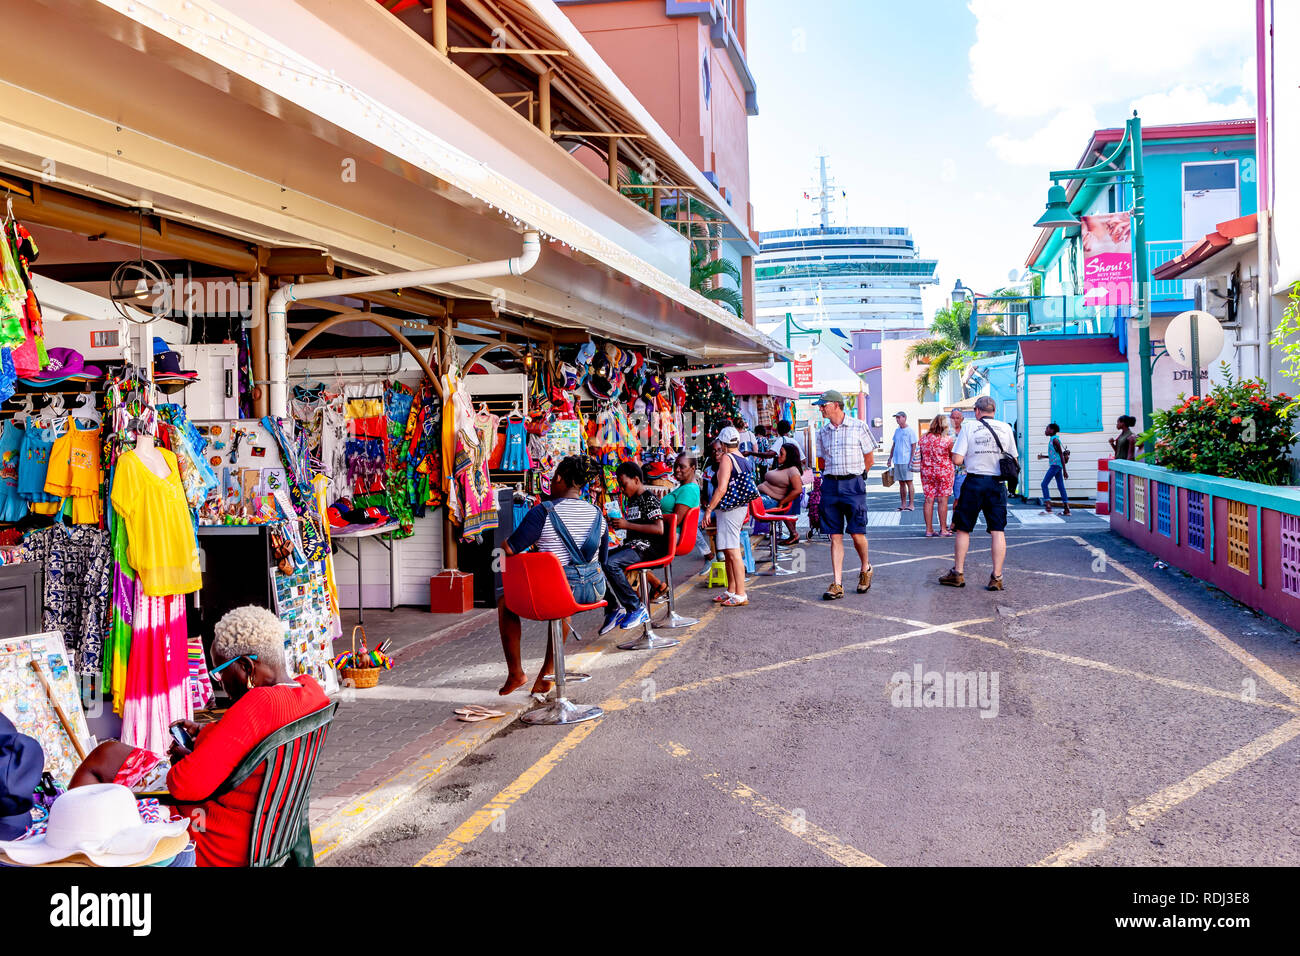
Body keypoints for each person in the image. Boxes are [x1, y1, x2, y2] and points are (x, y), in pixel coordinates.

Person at [73, 605, 331, 866]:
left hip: (216, 838)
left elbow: (183, 785)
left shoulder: (256, 704)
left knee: (102, 761)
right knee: (108, 754)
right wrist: (208, 734)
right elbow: (249, 742)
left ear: (246, 667)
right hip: (268, 832)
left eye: (220, 671)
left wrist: (185, 758)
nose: (219, 680)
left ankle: (71, 848)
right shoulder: (311, 690)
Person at [497, 455, 607, 696]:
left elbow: (510, 549)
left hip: (559, 592)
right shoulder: (597, 513)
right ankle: (547, 673)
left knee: (506, 602)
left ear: (558, 478)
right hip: (596, 589)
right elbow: (604, 558)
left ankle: (516, 673)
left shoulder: (543, 512)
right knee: (565, 603)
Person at [940, 395, 1018, 591]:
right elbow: (1014, 458)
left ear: (976, 411)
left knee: (963, 528)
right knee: (998, 530)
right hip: (997, 483)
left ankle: (957, 573)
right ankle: (997, 577)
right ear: (994, 411)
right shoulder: (1006, 428)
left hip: (974, 482)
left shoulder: (969, 427)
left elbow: (957, 459)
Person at [813, 389, 874, 600]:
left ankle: (865, 568)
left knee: (857, 533)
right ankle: (837, 583)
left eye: (824, 405)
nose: (821, 408)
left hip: (853, 485)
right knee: (834, 536)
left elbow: (869, 458)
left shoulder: (859, 426)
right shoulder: (822, 432)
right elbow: (821, 461)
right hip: (830, 485)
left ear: (836, 405)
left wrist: (859, 477)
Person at [600, 461, 666, 633]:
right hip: (633, 546)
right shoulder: (632, 501)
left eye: (624, 485)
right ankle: (613, 607)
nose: (622, 490)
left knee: (611, 563)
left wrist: (627, 525)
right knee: (598, 559)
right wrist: (620, 525)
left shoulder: (648, 498)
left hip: (648, 548)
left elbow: (659, 529)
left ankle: (635, 607)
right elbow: (632, 527)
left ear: (636, 480)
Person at [702, 426, 756, 608]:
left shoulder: (727, 458)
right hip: (738, 508)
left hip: (730, 509)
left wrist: (709, 509)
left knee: (732, 551)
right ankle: (731, 590)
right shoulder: (742, 458)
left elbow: (722, 488)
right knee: (727, 550)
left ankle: (740, 594)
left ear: (724, 444)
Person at [643, 453, 701, 602]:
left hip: (670, 537)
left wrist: (653, 518)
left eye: (682, 466)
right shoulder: (683, 488)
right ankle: (654, 588)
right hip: (666, 534)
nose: (677, 470)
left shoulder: (688, 489)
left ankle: (640, 605)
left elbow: (675, 520)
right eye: (675, 466)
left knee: (627, 556)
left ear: (693, 468)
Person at [757, 441, 805, 545]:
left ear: (789, 456)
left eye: (781, 453)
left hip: (771, 501)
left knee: (742, 503)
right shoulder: (782, 468)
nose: (778, 456)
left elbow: (798, 490)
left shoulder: (793, 470)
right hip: (764, 497)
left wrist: (782, 502)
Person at [917, 414, 955, 537]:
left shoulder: (923, 439)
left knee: (928, 500)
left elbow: (921, 454)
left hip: (927, 472)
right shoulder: (947, 440)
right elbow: (952, 456)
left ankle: (929, 530)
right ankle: (943, 529)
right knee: (942, 500)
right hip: (944, 471)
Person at [1038, 423, 1071, 515]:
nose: (1045, 430)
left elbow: (1060, 454)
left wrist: (1065, 470)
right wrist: (1043, 456)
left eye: (1047, 429)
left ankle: (1048, 507)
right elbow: (1055, 455)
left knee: (1044, 484)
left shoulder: (1055, 440)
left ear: (1052, 431)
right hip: (1057, 465)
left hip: (1055, 466)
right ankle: (1066, 509)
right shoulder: (1054, 440)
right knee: (1061, 486)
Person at [888, 411, 917, 511]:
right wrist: (890, 458)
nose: (897, 419)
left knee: (909, 482)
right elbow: (894, 445)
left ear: (904, 418)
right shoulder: (897, 431)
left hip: (906, 460)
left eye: (899, 417)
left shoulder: (910, 431)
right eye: (896, 418)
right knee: (901, 483)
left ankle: (911, 504)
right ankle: (903, 504)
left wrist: (911, 460)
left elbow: (914, 446)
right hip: (897, 461)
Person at [949, 407, 967, 505]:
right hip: (947, 467)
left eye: (957, 418)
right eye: (953, 418)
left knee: (959, 496)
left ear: (962, 419)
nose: (955, 420)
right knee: (943, 497)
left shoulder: (966, 431)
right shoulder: (944, 432)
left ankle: (957, 519)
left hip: (962, 468)